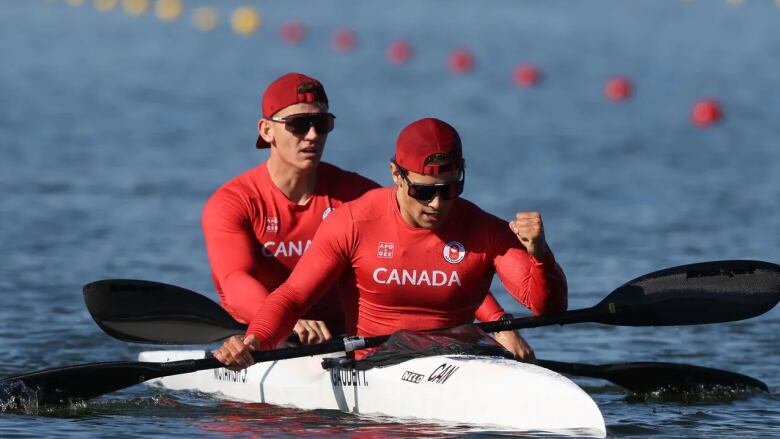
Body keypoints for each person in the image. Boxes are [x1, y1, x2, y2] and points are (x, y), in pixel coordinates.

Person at [202, 74, 530, 354]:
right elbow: (235, 280)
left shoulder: (357, 196)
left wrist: (498, 323)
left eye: (322, 123)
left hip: (344, 338)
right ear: (267, 130)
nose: (313, 135)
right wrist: (286, 323)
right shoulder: (234, 202)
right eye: (300, 124)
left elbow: (443, 255)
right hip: (261, 336)